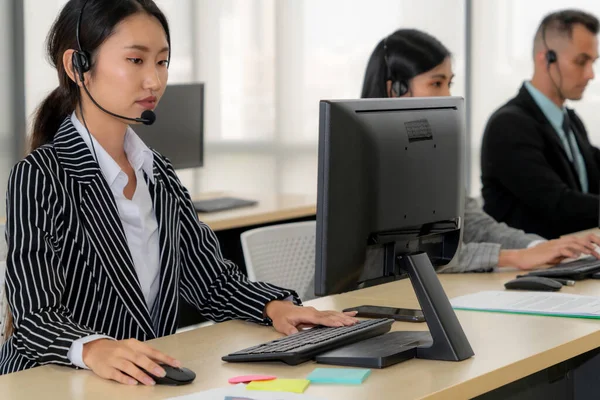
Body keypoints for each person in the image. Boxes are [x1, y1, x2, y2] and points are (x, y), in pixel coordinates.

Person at [0, 0, 358, 382]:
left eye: (162, 62)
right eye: (136, 61)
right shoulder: (40, 174)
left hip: (142, 382)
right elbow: (33, 317)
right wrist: (93, 347)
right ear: (78, 67)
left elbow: (210, 282)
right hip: (51, 382)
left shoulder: (159, 172)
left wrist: (273, 306)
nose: (154, 81)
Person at [361, 28, 600, 273]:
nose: (448, 95)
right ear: (395, 90)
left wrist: (539, 247)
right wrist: (512, 257)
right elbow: (401, 252)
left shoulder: (432, 154)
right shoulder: (363, 162)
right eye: (436, 83)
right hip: (368, 298)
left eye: (449, 83)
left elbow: (472, 224)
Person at [481, 10, 600, 239]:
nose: (590, 74)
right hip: (527, 270)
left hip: (574, 262)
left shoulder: (570, 122)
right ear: (546, 58)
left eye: (593, 62)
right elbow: (558, 204)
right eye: (581, 61)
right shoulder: (508, 125)